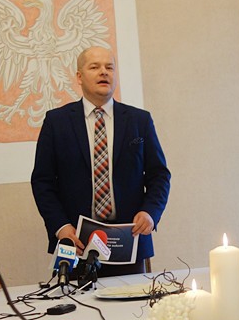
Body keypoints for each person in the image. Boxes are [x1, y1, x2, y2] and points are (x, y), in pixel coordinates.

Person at [31, 46, 171, 275]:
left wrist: (150, 212)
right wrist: (61, 227)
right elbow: (42, 182)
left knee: (133, 299)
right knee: (75, 299)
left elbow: (159, 175)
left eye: (109, 67)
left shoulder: (139, 120)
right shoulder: (57, 122)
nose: (103, 72)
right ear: (79, 77)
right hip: (76, 242)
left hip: (129, 241)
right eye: (95, 67)